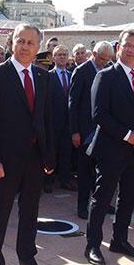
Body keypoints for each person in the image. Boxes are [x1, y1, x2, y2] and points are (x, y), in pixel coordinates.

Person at [0, 23, 55, 265]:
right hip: (4, 160)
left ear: (38, 47)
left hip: (34, 158)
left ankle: (27, 259)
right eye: (20, 41)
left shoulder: (43, 77)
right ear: (12, 42)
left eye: (30, 43)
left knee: (30, 212)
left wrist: (49, 156)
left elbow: (46, 120)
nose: (24, 47)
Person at [85, 29, 134, 265]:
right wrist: (128, 136)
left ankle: (120, 240)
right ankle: (93, 245)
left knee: (128, 198)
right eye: (128, 45)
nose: (132, 49)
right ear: (119, 48)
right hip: (111, 149)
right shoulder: (106, 76)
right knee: (102, 198)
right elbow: (99, 114)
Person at [69, 41, 113, 219]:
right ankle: (82, 206)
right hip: (85, 130)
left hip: (104, 129)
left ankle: (101, 203)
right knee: (85, 171)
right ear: (94, 54)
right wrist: (74, 131)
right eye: (102, 58)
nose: (105, 62)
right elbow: (73, 103)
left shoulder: (110, 71)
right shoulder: (82, 71)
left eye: (108, 59)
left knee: (102, 171)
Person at [47, 44, 75, 192]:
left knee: (66, 152)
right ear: (53, 58)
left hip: (68, 123)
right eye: (59, 55)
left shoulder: (72, 76)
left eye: (65, 54)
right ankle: (48, 181)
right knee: (52, 152)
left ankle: (65, 179)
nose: (62, 57)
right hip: (53, 122)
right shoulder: (47, 76)